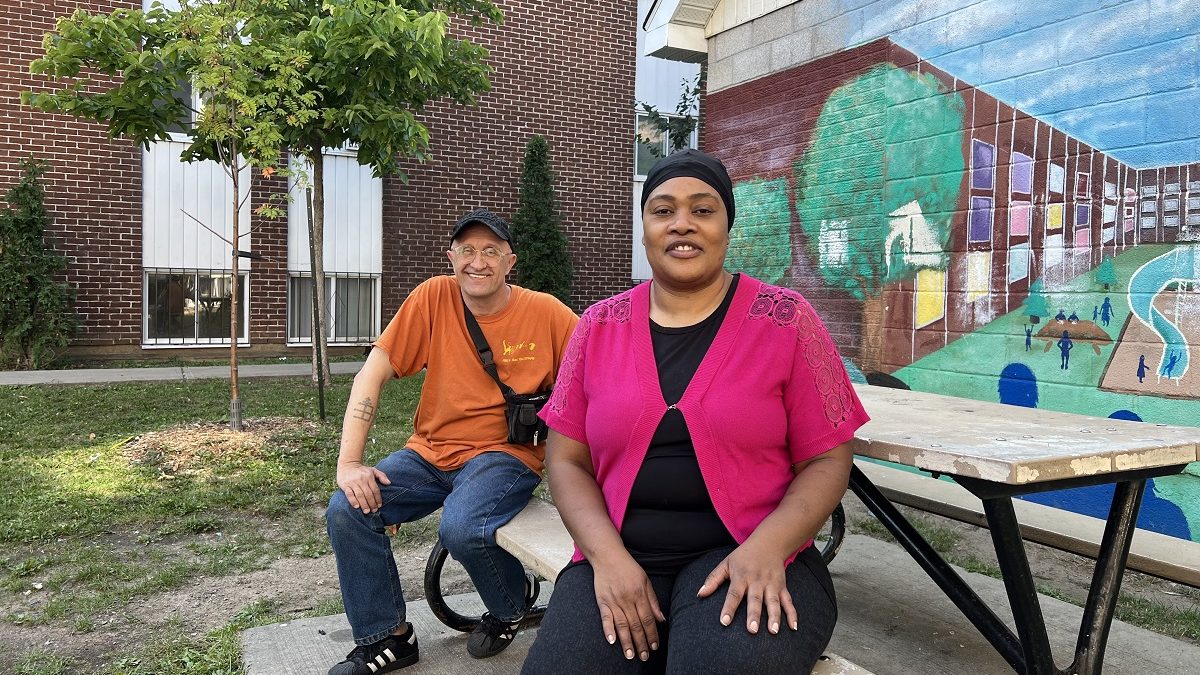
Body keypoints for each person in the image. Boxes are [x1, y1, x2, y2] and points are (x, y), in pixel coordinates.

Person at [522, 150, 870, 674]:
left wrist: (769, 547)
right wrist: (608, 560)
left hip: (750, 556)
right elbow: (567, 460)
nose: (682, 223)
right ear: (644, 229)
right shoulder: (597, 327)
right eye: (663, 210)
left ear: (727, 226)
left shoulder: (787, 321)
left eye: (702, 210)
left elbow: (828, 457)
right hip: (622, 554)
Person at [325, 208, 578, 674]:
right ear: (451, 257)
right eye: (466, 250)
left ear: (510, 262)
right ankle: (390, 637)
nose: (476, 262)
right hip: (429, 453)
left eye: (490, 252)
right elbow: (371, 375)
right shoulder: (432, 298)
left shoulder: (546, 312)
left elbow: (594, 377)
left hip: (505, 455)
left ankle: (508, 608)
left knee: (462, 526)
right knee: (348, 509)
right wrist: (349, 464)